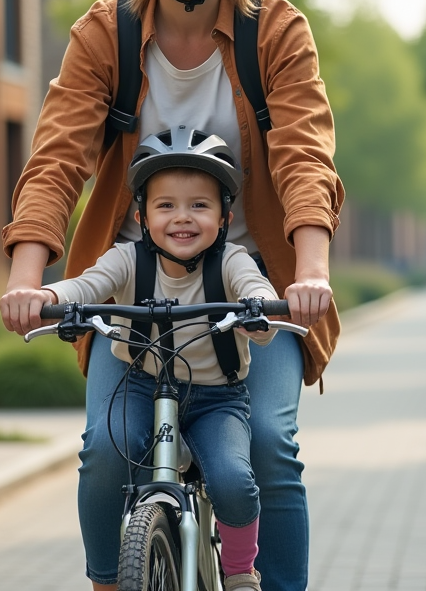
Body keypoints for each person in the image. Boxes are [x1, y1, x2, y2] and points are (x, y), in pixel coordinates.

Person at [0, 0, 344, 591]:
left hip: (250, 292)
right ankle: (113, 578)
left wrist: (310, 273)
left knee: (268, 449)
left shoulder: (274, 32)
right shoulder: (108, 33)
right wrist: (29, 281)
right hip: (134, 293)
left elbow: (304, 154)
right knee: (102, 452)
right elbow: (57, 159)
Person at [22, 127, 276, 591]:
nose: (183, 218)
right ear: (141, 216)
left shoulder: (233, 261)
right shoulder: (126, 260)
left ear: (224, 217)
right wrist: (48, 296)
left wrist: (258, 310)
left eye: (200, 205)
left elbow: (256, 288)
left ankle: (241, 572)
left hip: (217, 398)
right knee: (102, 452)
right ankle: (108, 579)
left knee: (234, 479)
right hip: (140, 385)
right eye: (166, 206)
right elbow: (85, 285)